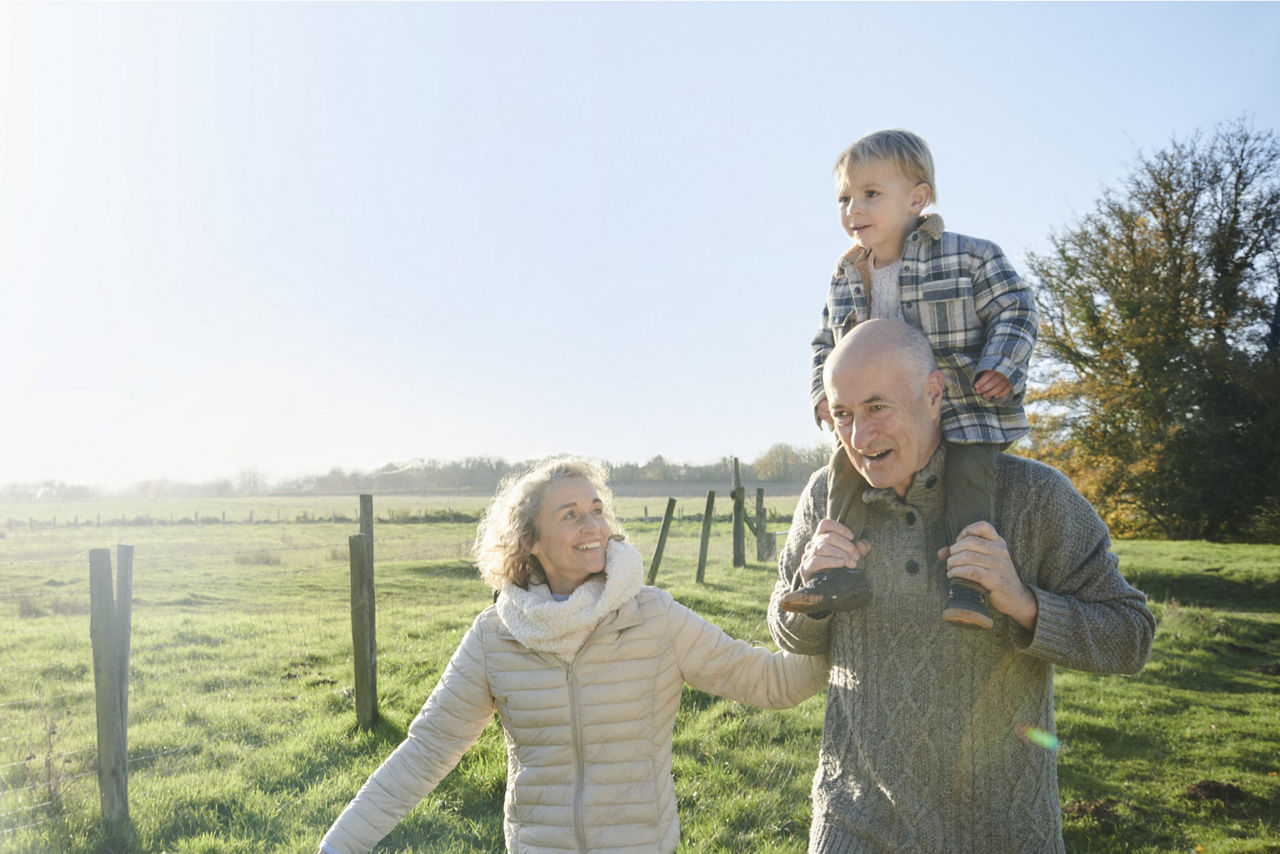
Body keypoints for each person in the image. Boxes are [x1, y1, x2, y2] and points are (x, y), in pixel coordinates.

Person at [769, 319, 1155, 853]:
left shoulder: (1033, 496)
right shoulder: (825, 498)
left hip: (1001, 829)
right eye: (843, 414)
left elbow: (1131, 637)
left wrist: (1022, 603)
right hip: (854, 818)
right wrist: (807, 594)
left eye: (877, 407)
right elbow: (789, 634)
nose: (859, 437)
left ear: (933, 394)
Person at [320, 456, 829, 854]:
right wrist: (339, 844)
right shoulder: (495, 637)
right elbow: (426, 751)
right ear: (530, 541)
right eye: (570, 516)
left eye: (596, 510)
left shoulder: (653, 616)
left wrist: (837, 634)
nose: (593, 527)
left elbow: (770, 681)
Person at [796, 129, 1039, 629]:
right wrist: (824, 393)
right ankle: (834, 574)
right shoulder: (844, 276)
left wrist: (1002, 365)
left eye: (870, 194)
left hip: (964, 404)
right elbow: (826, 344)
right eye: (844, 198)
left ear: (917, 198)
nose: (852, 209)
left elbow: (1016, 307)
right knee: (845, 473)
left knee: (969, 481)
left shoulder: (966, 255)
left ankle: (970, 585)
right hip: (881, 418)